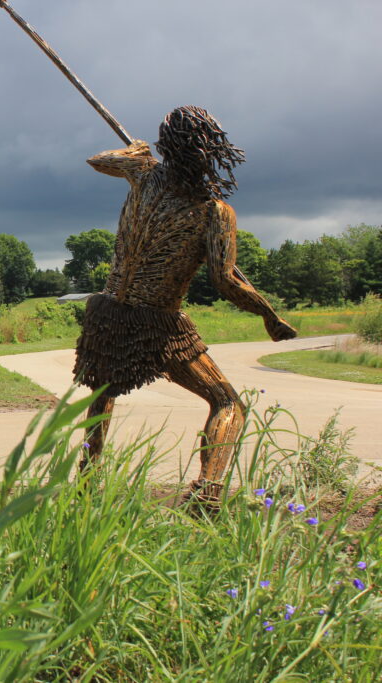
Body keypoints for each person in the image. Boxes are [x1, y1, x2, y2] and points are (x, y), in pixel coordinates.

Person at [73, 105, 296, 505]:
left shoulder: (142, 175)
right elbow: (226, 282)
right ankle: (208, 493)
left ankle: (86, 486)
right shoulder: (214, 212)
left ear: (167, 145)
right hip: (158, 324)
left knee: (101, 395)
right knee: (227, 403)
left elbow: (101, 160)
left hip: (107, 313)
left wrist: (136, 154)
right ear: (212, 150)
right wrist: (267, 313)